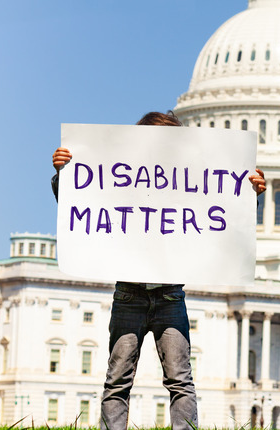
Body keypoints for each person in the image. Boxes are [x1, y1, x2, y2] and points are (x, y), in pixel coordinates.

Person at [51, 111, 266, 430]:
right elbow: (84, 205)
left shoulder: (189, 180)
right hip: (129, 295)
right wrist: (64, 174)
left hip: (170, 297)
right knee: (117, 382)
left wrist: (250, 195)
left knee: (181, 381)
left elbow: (225, 219)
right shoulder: (122, 176)